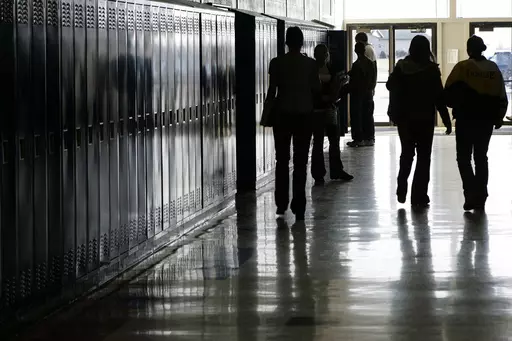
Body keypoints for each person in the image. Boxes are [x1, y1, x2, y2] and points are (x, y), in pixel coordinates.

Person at [386, 35, 452, 207]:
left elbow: (389, 85)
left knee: (407, 154)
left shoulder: (402, 66)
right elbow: (439, 97)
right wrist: (446, 119)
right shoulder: (431, 70)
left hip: (405, 119)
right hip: (425, 119)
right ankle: (419, 196)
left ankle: (402, 187)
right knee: (424, 157)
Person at [445, 35, 509, 211]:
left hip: (466, 119)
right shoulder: (493, 68)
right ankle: (481, 194)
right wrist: (499, 117)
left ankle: (470, 192)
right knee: (481, 157)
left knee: (463, 157)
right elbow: (502, 95)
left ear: (468, 49)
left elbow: (448, 92)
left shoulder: (462, 67)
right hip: (486, 120)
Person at [266, 26, 320, 221]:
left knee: (281, 160)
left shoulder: (277, 63)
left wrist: (266, 114)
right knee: (300, 161)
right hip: (304, 116)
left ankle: (281, 202)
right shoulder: (311, 65)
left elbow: (272, 91)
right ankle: (299, 205)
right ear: (302, 42)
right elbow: (316, 90)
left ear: (286, 43)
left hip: (282, 116)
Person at [311, 44, 354, 185]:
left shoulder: (331, 68)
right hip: (316, 110)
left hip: (330, 109)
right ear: (316, 54)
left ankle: (336, 170)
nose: (324, 56)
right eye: (322, 54)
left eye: (325, 53)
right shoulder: (311, 69)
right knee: (318, 143)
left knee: (334, 141)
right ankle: (318, 174)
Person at [342, 42, 376, 148]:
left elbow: (355, 81)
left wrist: (344, 88)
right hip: (368, 94)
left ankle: (358, 139)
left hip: (357, 95)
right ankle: (369, 138)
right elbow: (372, 78)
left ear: (356, 50)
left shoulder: (357, 64)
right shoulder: (370, 63)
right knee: (368, 116)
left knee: (357, 117)